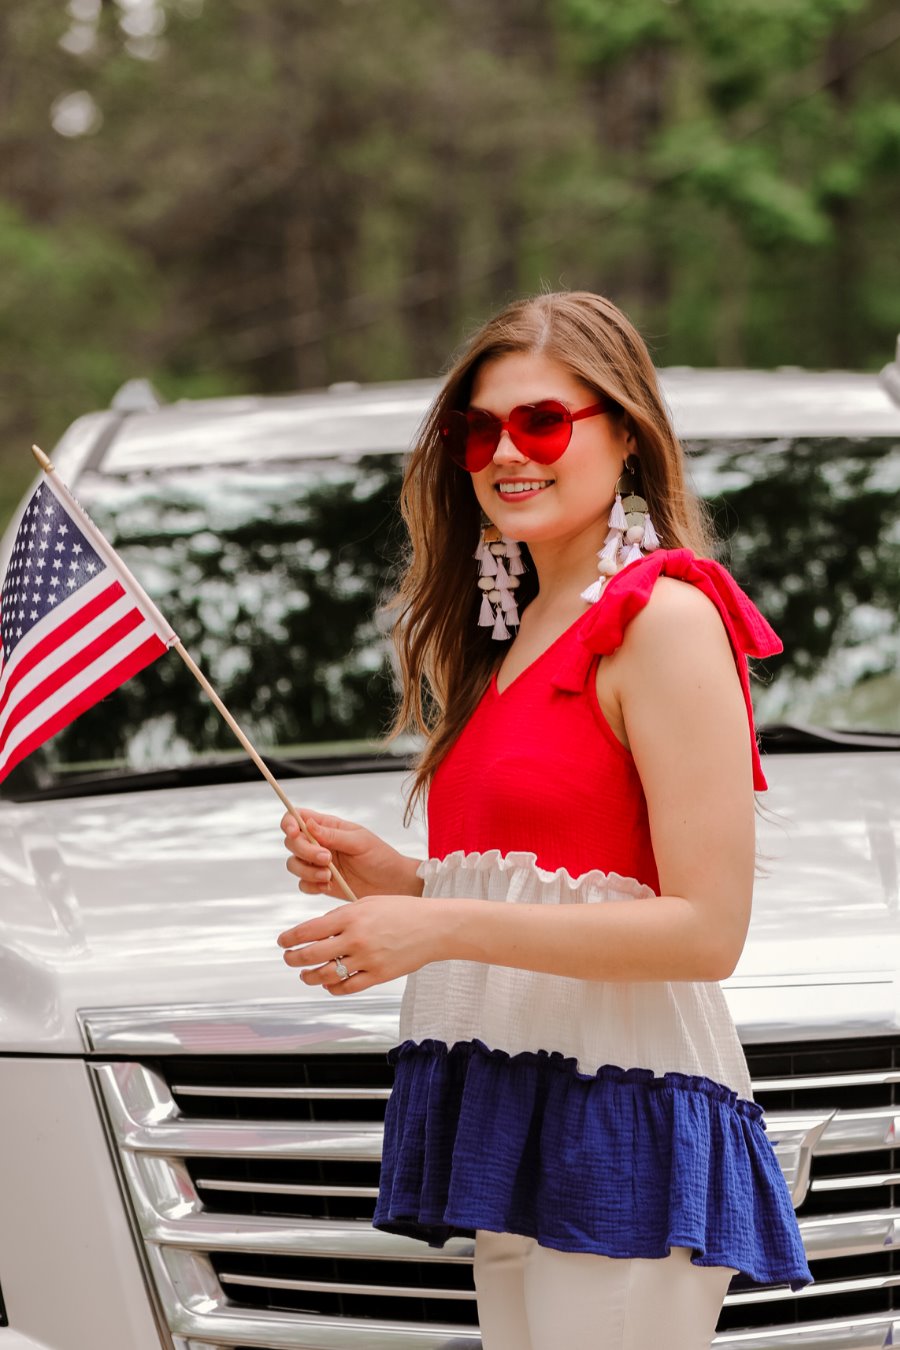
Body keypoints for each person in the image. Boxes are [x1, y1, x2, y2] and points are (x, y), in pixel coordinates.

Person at [276, 291, 812, 1349]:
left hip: (622, 1111)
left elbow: (707, 931)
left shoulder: (663, 616)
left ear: (626, 434)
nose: (504, 453)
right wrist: (406, 883)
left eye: (542, 422)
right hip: (514, 1094)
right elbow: (562, 875)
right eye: (480, 430)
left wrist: (441, 929)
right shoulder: (517, 636)